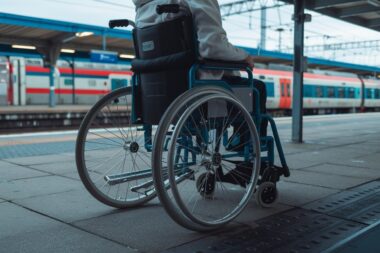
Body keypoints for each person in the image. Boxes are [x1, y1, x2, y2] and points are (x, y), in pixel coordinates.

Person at [132, 0, 267, 137]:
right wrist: (244, 57)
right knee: (257, 88)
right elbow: (212, 47)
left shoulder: (142, 9)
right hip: (199, 94)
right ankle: (245, 143)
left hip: (156, 99)